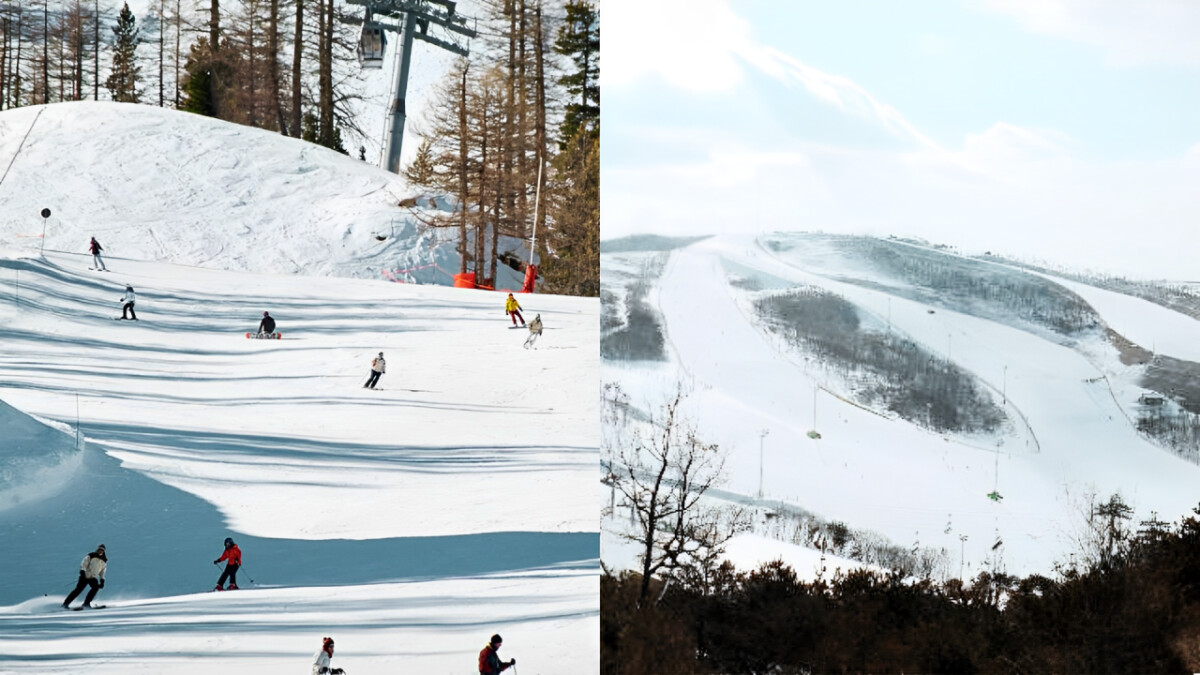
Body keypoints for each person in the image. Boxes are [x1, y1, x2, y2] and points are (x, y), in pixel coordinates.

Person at [62, 544, 107, 609]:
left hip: (92, 577)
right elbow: (84, 563)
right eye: (99, 549)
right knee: (78, 590)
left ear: (104, 551)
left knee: (95, 588)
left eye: (102, 550)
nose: (100, 551)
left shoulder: (104, 560)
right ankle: (65, 604)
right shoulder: (91, 555)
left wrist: (102, 580)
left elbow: (102, 571)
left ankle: (86, 603)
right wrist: (82, 571)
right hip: (85, 576)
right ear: (97, 549)